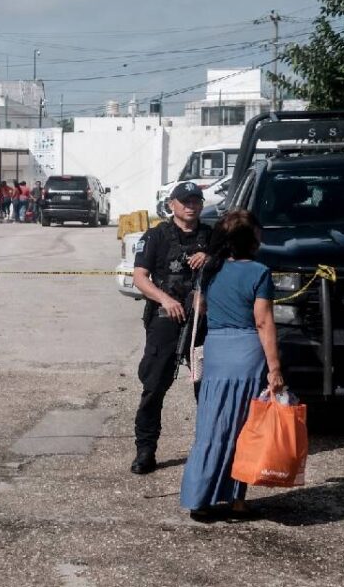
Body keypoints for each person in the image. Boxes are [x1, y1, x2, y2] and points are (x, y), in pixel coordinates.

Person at [179, 210, 284, 520]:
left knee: (212, 426)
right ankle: (236, 501)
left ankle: (199, 498)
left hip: (217, 351)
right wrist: (275, 367)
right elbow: (263, 322)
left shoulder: (210, 270)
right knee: (243, 428)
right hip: (247, 353)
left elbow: (201, 306)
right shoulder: (259, 273)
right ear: (250, 240)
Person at [130, 181, 213, 474]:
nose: (191, 205)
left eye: (195, 200)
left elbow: (232, 264)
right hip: (167, 319)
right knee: (153, 387)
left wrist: (211, 257)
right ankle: (145, 450)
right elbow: (140, 277)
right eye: (185, 201)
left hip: (201, 324)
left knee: (207, 389)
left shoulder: (212, 236)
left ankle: (209, 450)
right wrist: (165, 299)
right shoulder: (156, 236)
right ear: (172, 205)